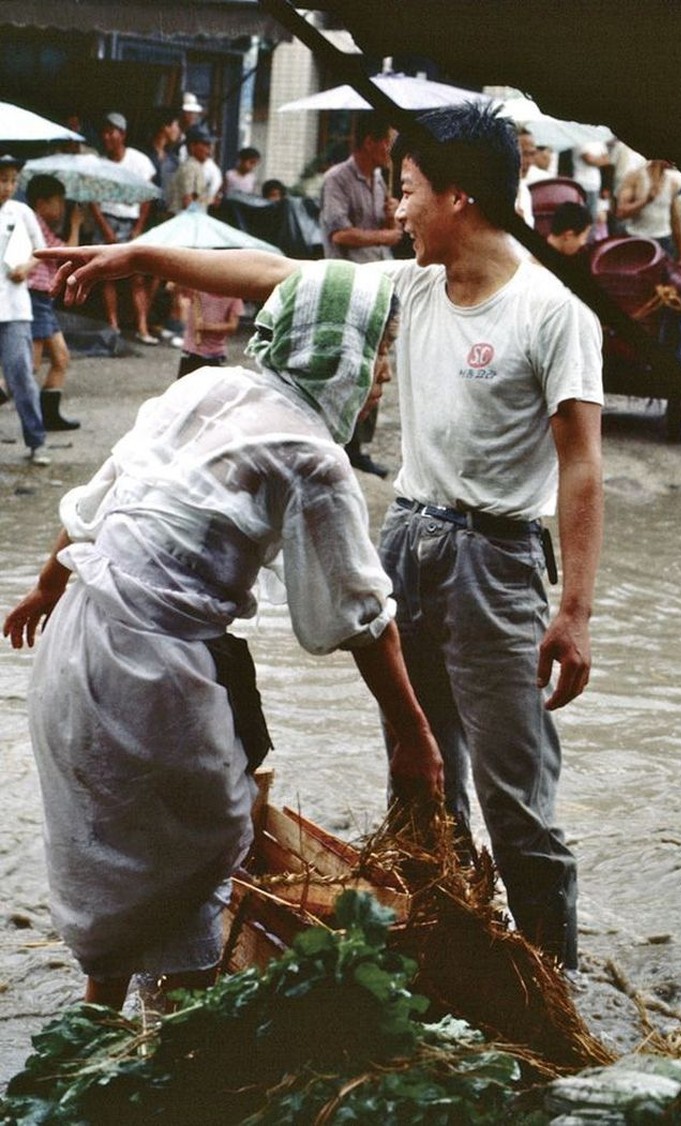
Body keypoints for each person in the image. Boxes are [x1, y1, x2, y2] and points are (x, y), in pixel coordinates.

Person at [41, 101, 604, 970]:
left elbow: (581, 467)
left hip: (498, 557)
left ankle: (552, 986)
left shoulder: (551, 309)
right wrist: (140, 252)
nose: (398, 212)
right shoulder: (416, 283)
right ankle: (455, 968)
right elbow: (272, 275)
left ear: (457, 196)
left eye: (408, 191)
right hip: (411, 540)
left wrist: (575, 609)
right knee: (422, 778)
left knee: (516, 794)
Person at [3, 258, 443, 1012]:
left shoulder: (202, 386)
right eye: (377, 353)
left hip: (76, 638)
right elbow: (362, 618)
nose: (382, 377)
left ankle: (98, 1017)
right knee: (204, 842)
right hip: (150, 664)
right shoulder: (312, 457)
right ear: (332, 352)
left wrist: (48, 586)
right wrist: (413, 734)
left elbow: (97, 502)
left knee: (107, 833)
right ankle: (182, 1032)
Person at [320, 112, 403, 479]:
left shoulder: (380, 178)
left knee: (375, 363)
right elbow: (338, 233)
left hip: (379, 280)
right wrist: (385, 237)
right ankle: (337, 442)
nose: (391, 149)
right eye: (388, 141)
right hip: (348, 280)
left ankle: (359, 446)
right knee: (347, 362)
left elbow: (387, 229)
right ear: (370, 141)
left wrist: (391, 217)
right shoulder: (337, 178)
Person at [89, 112, 158, 344]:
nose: (107, 137)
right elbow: (93, 202)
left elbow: (147, 196)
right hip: (107, 219)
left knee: (136, 276)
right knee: (107, 276)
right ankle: (113, 325)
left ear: (123, 134)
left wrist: (138, 227)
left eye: (112, 132)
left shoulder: (138, 161)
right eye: (105, 132)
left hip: (130, 222)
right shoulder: (99, 164)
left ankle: (142, 327)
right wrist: (105, 229)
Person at [0, 153, 50, 465]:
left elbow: (41, 249)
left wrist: (27, 267)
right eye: (2, 179)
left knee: (20, 374)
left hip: (15, 306)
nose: (7, 186)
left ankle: (36, 440)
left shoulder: (21, 212)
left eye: (12, 180)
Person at [26, 174, 83, 431]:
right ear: (41, 203)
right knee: (28, 367)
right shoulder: (34, 223)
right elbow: (69, 253)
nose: (61, 208)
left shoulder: (41, 226)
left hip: (41, 300)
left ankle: (49, 416)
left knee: (60, 357)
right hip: (33, 298)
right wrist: (76, 225)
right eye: (58, 202)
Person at [616, 158, 681, 265]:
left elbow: (676, 221)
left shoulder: (672, 182)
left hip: (663, 241)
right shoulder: (635, 177)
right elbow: (621, 212)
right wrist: (646, 201)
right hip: (638, 239)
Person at [175, 287, 244, 378]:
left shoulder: (234, 296)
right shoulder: (196, 289)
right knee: (184, 390)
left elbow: (232, 326)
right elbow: (172, 288)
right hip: (191, 352)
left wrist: (206, 326)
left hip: (215, 354)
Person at [168, 124, 220, 214]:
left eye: (210, 145)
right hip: (184, 220)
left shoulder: (196, 166)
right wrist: (210, 200)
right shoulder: (190, 167)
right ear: (192, 146)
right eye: (205, 144)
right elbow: (187, 203)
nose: (210, 149)